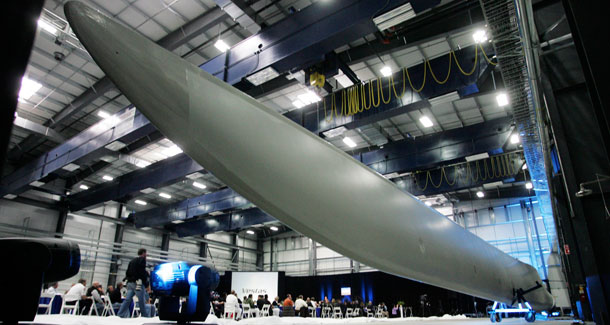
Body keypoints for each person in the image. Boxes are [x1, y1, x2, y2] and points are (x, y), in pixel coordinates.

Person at [117, 248, 150, 318]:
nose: (146, 255)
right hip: (138, 283)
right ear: (143, 253)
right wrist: (146, 280)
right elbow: (141, 271)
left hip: (130, 283)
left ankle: (120, 314)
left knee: (127, 300)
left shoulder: (132, 261)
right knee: (141, 300)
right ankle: (144, 316)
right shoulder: (142, 260)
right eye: (146, 253)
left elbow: (127, 272)